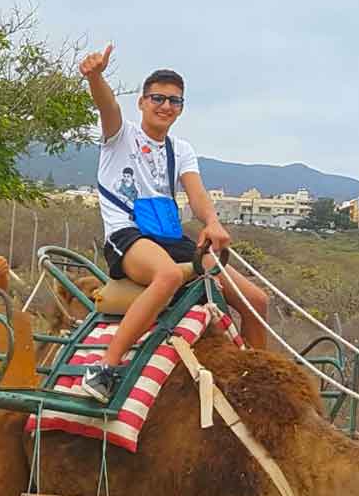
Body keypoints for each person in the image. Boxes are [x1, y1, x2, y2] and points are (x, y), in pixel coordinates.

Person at [76, 43, 269, 403]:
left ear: (181, 108)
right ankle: (105, 367)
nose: (165, 106)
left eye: (174, 101)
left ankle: (257, 382)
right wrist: (96, 77)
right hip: (129, 235)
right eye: (158, 98)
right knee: (166, 275)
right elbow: (108, 106)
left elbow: (197, 196)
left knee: (256, 299)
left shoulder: (181, 150)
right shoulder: (121, 136)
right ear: (143, 102)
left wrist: (212, 222)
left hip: (170, 236)